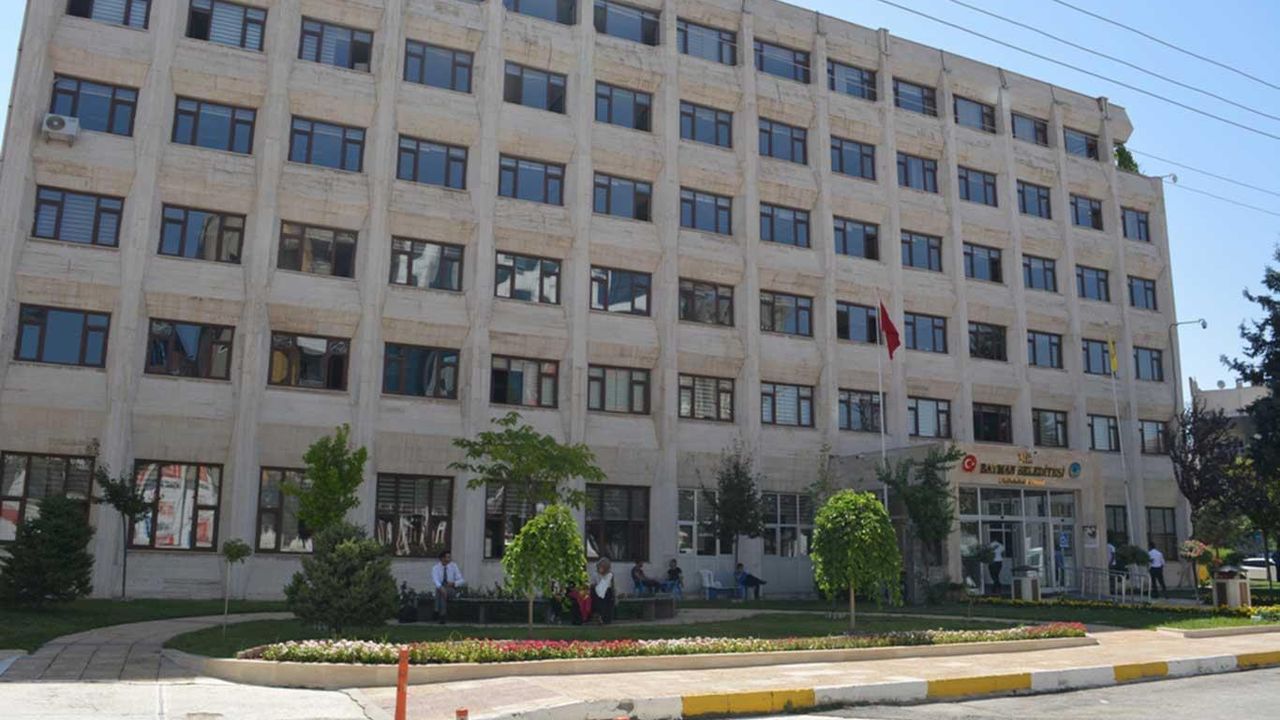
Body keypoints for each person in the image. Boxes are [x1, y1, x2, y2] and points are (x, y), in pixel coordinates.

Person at [431, 550, 465, 624]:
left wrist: (453, 583)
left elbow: (462, 580)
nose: (449, 559)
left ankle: (436, 610)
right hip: (441, 589)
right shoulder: (435, 568)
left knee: (440, 591)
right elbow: (435, 580)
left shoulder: (453, 566)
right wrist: (441, 588)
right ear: (442, 558)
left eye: (449, 557)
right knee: (441, 592)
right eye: (447, 557)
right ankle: (442, 616)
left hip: (452, 589)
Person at [592, 558, 616, 624]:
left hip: (607, 591)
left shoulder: (610, 574)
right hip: (599, 591)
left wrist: (614, 594)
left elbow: (612, 584)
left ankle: (605, 619)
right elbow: (593, 584)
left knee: (608, 605)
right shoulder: (595, 574)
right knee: (601, 604)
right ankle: (600, 617)